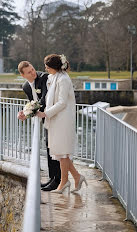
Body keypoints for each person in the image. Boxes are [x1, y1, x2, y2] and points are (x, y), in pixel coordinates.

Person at [37, 54, 87, 193]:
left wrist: (45, 113)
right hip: (56, 119)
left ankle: (65, 182)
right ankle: (76, 177)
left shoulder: (63, 79)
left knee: (63, 153)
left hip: (63, 120)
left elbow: (62, 102)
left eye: (47, 66)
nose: (45, 68)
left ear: (54, 67)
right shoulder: (53, 77)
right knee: (59, 153)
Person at [17, 61, 61, 191]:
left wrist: (30, 111)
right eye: (29, 72)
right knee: (48, 147)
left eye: (33, 69)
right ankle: (52, 178)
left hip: (54, 117)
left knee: (55, 148)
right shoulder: (25, 86)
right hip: (45, 119)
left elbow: (44, 99)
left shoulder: (44, 78)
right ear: (23, 75)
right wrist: (24, 112)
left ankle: (58, 180)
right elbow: (32, 102)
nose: (33, 72)